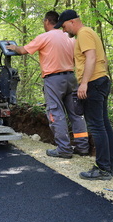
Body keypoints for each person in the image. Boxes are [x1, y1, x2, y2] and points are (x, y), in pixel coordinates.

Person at [6, 10, 89, 158]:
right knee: (76, 113)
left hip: (53, 79)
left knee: (56, 113)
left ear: (46, 21)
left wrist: (14, 48)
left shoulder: (45, 37)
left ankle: (64, 149)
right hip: (71, 77)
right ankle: (82, 147)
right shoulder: (70, 38)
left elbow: (23, 50)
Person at [56, 10, 113, 180]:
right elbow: (101, 59)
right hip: (100, 80)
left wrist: (84, 83)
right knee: (104, 125)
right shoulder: (89, 33)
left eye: (64, 26)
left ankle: (103, 169)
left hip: (93, 83)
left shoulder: (83, 33)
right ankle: (110, 167)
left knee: (97, 127)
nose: (64, 30)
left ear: (72, 22)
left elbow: (91, 57)